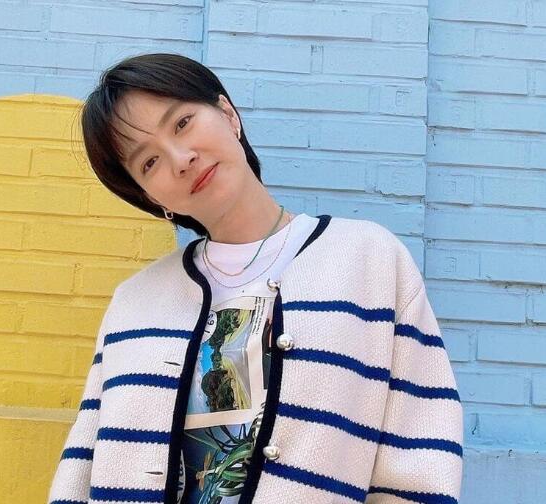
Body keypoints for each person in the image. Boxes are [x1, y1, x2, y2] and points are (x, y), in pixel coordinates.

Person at [48, 53, 463, 504]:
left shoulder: (368, 259)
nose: (181, 159)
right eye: (149, 162)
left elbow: (420, 453)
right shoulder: (135, 303)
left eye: (182, 123)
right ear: (150, 197)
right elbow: (82, 463)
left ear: (228, 114)